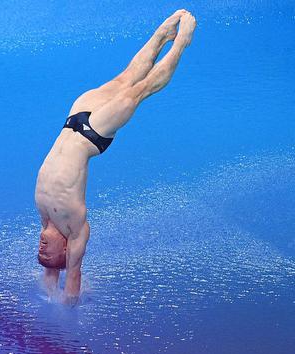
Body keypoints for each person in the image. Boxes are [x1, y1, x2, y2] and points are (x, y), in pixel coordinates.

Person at [35, 9, 196, 304]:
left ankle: (161, 35)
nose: (41, 248)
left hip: (74, 118)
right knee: (140, 90)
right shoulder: (76, 230)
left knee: (127, 77)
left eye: (39, 252)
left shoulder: (46, 221)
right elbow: (71, 279)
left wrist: (46, 293)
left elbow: (48, 276)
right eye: (48, 254)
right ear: (67, 250)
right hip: (92, 135)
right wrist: (64, 311)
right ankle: (181, 43)